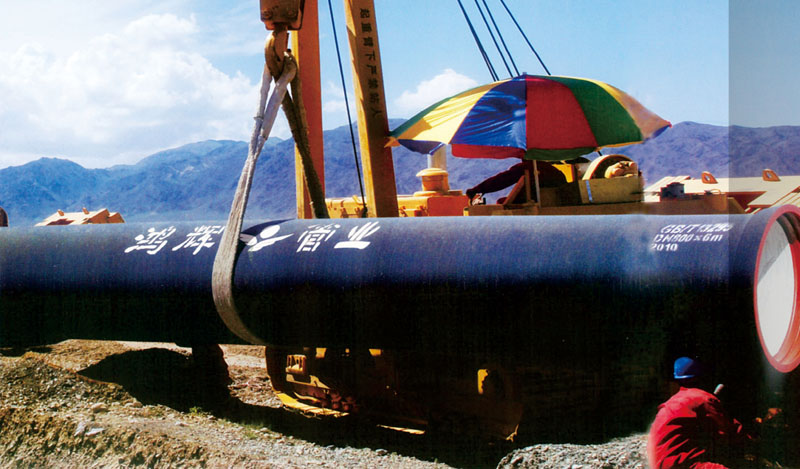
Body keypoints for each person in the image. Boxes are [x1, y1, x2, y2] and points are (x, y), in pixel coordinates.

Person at [647, 357, 754, 469]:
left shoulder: (672, 401)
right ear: (702, 376)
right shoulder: (703, 399)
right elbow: (730, 432)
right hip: (683, 465)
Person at [465, 160, 566, 203]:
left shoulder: (528, 167)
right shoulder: (556, 172)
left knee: (501, 203)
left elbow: (502, 180)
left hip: (533, 210)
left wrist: (477, 190)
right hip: (558, 209)